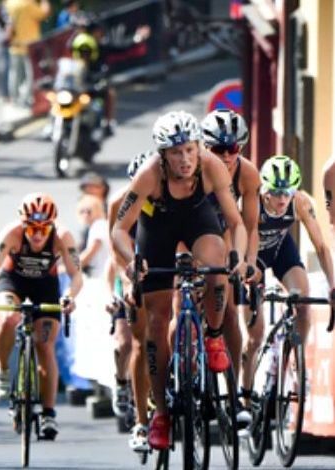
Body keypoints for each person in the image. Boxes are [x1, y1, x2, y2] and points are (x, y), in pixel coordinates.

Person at [111, 110, 247, 450]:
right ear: (162, 154)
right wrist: (133, 262)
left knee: (218, 274)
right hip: (158, 230)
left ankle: (213, 337)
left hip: (198, 220)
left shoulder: (211, 165)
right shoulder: (148, 176)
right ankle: (160, 414)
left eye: (189, 149)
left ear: (197, 146)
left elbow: (236, 222)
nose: (184, 159)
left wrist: (240, 260)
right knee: (157, 322)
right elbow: (118, 229)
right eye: (175, 153)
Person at [0, 193, 80, 440]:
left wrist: (69, 296)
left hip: (45, 287)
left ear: (52, 226)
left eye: (43, 229)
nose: (37, 235)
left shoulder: (63, 237)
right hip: (12, 282)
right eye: (31, 228)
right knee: (6, 318)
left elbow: (76, 274)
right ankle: (3, 368)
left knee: (44, 345)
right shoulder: (12, 233)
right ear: (23, 225)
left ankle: (49, 413)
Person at [240, 155, 335, 409]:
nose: (282, 199)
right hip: (252, 255)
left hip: (281, 251)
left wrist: (333, 285)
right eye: (276, 192)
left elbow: (322, 247)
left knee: (302, 301)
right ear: (264, 190)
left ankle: (295, 363)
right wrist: (247, 271)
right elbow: (239, 241)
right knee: (255, 335)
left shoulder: (300, 203)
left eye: (288, 192)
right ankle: (245, 396)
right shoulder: (251, 202)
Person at [200, 108, 260, 427]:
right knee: (172, 303)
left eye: (232, 149)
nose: (225, 156)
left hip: (225, 231)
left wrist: (246, 263)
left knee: (230, 313)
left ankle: (233, 393)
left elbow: (249, 227)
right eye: (217, 150)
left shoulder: (247, 174)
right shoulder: (191, 169)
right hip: (190, 229)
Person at [106, 150, 154, 450]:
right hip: (128, 269)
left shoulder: (166, 198)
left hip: (157, 268)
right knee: (128, 342)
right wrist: (123, 283)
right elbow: (115, 250)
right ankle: (123, 384)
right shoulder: (119, 204)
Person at [5, 0, 51, 106]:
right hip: (30, 46)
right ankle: (25, 99)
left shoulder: (10, 3)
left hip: (15, 45)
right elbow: (45, 13)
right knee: (31, 76)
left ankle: (15, 99)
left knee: (14, 75)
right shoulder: (29, 4)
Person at [78, 194, 109, 278]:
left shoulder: (98, 225)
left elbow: (91, 251)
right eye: (82, 211)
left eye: (88, 211)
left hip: (100, 275)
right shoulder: (99, 225)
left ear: (97, 210)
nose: (85, 214)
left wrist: (71, 267)